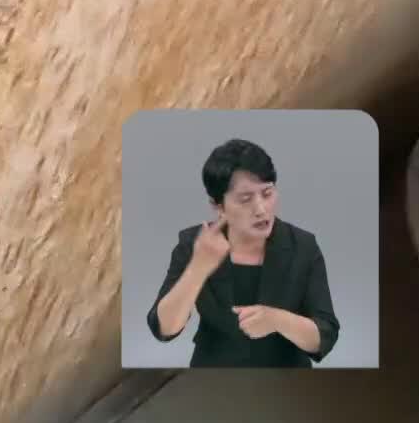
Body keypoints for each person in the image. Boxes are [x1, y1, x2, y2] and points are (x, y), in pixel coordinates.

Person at [146, 138, 341, 367]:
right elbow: (164, 328)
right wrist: (199, 267)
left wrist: (277, 319)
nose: (261, 209)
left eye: (267, 193)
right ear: (218, 206)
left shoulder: (303, 246)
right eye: (245, 199)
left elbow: (325, 336)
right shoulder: (193, 243)